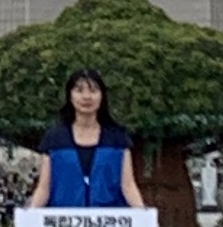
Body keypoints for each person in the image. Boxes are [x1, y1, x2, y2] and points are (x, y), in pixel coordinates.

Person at [28, 69, 146, 208]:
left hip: (108, 222)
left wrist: (144, 217)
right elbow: (44, 189)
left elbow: (128, 185)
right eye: (79, 90)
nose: (87, 97)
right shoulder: (54, 139)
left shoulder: (117, 138)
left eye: (93, 90)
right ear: (70, 96)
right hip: (65, 222)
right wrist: (29, 219)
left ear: (102, 96)